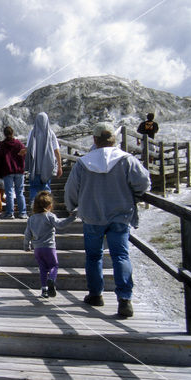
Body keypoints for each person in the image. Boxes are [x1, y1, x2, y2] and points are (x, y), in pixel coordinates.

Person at [64, 122, 151, 317]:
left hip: (92, 216)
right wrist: (134, 195)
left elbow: (71, 189)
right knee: (121, 255)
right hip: (120, 215)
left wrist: (72, 207)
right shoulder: (126, 160)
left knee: (94, 256)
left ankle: (96, 294)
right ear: (114, 138)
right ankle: (125, 299)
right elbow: (144, 182)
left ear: (95, 139)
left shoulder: (83, 163)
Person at [24, 191, 76, 298]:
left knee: (42, 268)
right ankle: (51, 280)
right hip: (49, 247)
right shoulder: (50, 216)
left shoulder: (31, 219)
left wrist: (26, 245)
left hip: (37, 249)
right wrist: (72, 217)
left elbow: (27, 234)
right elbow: (60, 225)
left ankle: (44, 290)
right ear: (49, 206)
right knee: (54, 265)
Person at [25, 112, 62, 205]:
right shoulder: (51, 133)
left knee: (34, 188)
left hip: (35, 167)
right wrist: (59, 167)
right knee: (46, 187)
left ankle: (34, 207)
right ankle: (47, 207)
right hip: (47, 167)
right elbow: (56, 151)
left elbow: (28, 149)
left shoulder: (32, 132)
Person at [0, 126, 27, 219]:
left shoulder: (1, 145)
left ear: (4, 134)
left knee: (9, 192)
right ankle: (23, 213)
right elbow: (24, 155)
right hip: (19, 171)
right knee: (19, 192)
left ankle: (10, 213)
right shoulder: (19, 144)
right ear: (13, 133)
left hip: (7, 171)